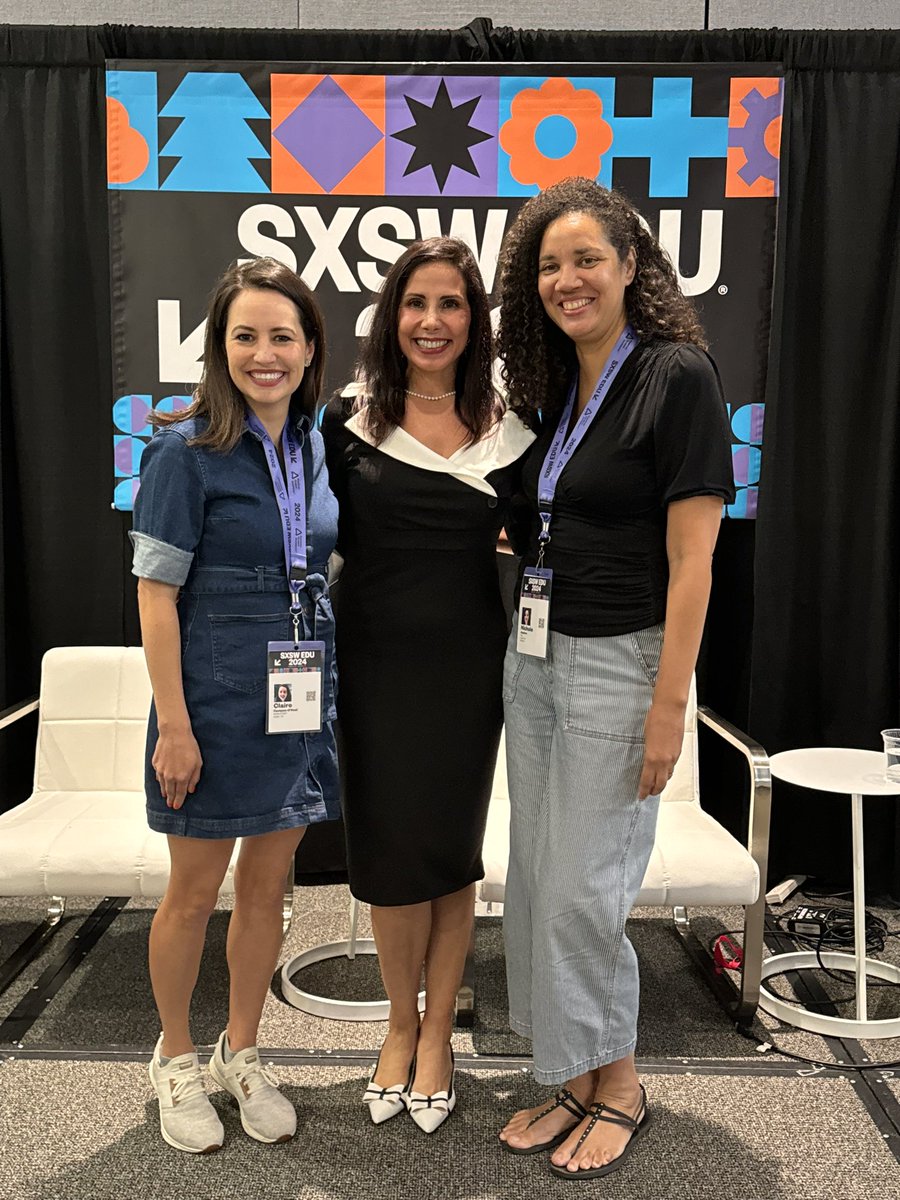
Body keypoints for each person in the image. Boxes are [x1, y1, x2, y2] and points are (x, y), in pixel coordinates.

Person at [493, 178, 735, 1179]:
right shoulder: (557, 386)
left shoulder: (676, 374)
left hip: (619, 663)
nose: (568, 279)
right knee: (537, 878)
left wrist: (669, 705)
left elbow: (694, 561)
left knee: (584, 890)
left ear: (632, 266)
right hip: (535, 659)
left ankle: (621, 1086)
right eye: (550, 265)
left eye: (587, 258)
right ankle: (573, 1075)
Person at [322, 237, 534, 1133]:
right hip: (373, 669)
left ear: (475, 319)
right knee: (390, 861)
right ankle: (398, 1025)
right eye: (416, 303)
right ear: (391, 316)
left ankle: (439, 1031)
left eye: (451, 304)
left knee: (451, 854)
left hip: (469, 673)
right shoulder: (347, 421)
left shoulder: (513, 430)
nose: (433, 321)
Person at [131, 257, 340, 1154]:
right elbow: (154, 597)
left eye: (281, 336)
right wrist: (174, 726)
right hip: (209, 702)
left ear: (309, 348)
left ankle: (240, 1051)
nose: (265, 354)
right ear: (218, 348)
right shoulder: (183, 451)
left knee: (267, 889)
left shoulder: (317, 446)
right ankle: (175, 1057)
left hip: (296, 696)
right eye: (245, 336)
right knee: (192, 892)